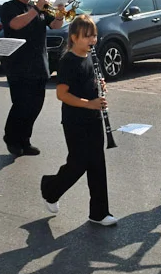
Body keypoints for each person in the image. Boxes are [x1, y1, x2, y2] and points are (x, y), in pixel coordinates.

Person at [40, 15, 117, 226]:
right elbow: (62, 94)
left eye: (94, 35)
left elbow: (91, 81)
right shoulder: (68, 61)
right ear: (74, 37)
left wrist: (100, 84)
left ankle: (99, 213)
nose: (92, 40)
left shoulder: (92, 57)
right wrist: (89, 103)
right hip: (75, 121)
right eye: (87, 36)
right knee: (78, 164)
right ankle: (50, 188)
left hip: (93, 119)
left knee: (97, 165)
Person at [0, 0, 65, 157]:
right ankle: (12, 138)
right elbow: (15, 25)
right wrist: (36, 8)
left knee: (35, 106)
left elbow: (55, 26)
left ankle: (25, 140)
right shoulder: (8, 7)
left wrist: (59, 13)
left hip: (39, 64)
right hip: (18, 66)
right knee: (21, 105)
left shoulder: (39, 8)